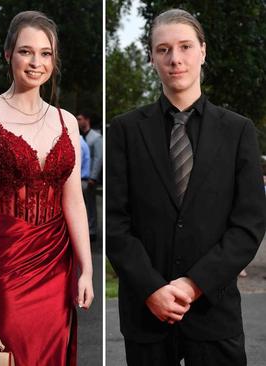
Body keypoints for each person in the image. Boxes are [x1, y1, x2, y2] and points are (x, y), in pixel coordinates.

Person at [107, 8, 266, 366]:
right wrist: (151, 289)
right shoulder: (125, 131)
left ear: (203, 51)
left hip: (214, 313)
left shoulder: (238, 131)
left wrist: (193, 285)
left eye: (184, 47)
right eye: (163, 49)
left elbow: (249, 225)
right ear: (150, 57)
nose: (175, 59)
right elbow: (115, 224)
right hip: (147, 317)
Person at [0, 10, 94, 365]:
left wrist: (87, 269)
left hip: (56, 267)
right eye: (26, 51)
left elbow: (75, 202)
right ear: (8, 55)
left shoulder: (66, 120)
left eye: (45, 53)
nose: (36, 62)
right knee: (10, 355)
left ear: (54, 59)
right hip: (5, 266)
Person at [77, 111, 102, 240]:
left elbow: (99, 157)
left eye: (80, 118)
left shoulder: (96, 138)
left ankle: (92, 230)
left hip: (89, 177)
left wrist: (93, 176)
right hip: (79, 176)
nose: (78, 121)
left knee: (91, 204)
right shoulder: (80, 136)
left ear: (87, 120)